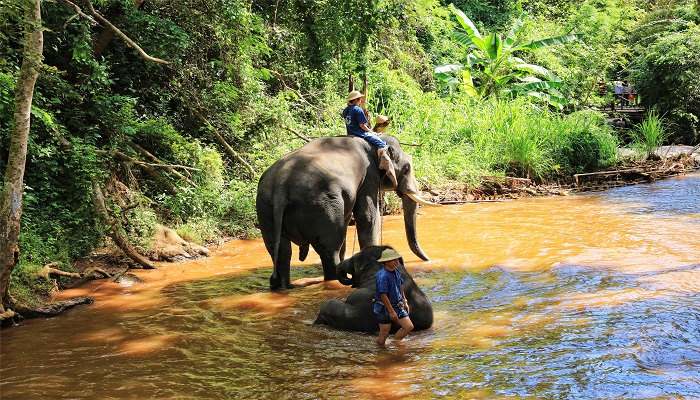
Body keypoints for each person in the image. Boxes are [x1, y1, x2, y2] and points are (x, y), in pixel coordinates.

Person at [342, 91, 397, 186]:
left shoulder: (345, 110)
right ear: (355, 100)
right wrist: (371, 132)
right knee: (382, 144)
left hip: (350, 132)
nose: (360, 100)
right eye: (359, 99)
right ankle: (383, 164)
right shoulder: (357, 110)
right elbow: (362, 125)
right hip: (360, 133)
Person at [374, 248, 414, 345]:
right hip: (385, 308)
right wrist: (391, 311)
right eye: (394, 260)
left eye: (397, 259)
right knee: (384, 333)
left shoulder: (396, 271)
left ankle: (394, 343)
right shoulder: (382, 276)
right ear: (387, 262)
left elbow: (400, 286)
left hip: (398, 305)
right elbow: (383, 295)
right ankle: (380, 351)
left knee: (408, 326)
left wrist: (405, 301)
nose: (397, 261)